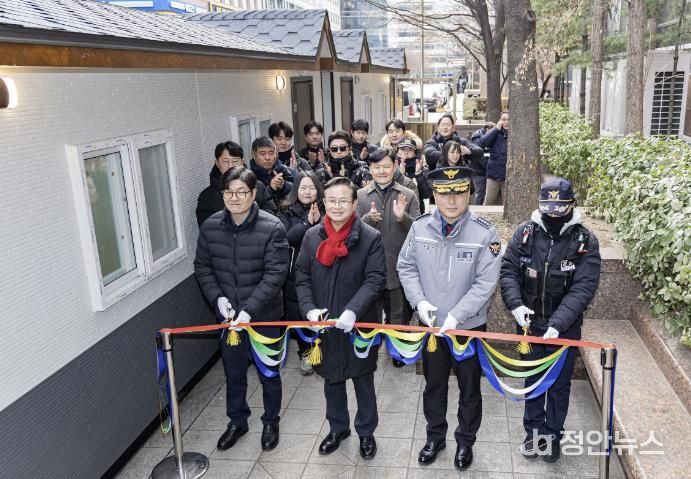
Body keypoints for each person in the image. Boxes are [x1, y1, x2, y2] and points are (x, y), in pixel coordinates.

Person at [397, 166, 502, 471]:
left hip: (467, 328)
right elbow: (406, 267)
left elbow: (485, 283)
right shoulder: (420, 227)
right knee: (434, 385)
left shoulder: (485, 233)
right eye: (444, 194)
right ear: (434, 195)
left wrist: (457, 315)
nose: (452, 201)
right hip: (431, 327)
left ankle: (465, 441)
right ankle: (435, 437)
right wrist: (419, 302)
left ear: (469, 193)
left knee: (469, 388)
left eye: (459, 192)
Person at [499, 177, 601, 462]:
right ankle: (532, 433)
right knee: (532, 380)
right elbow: (508, 271)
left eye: (560, 209)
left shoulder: (585, 241)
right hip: (530, 325)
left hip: (564, 328)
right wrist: (516, 305)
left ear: (572, 205)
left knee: (558, 384)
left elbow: (584, 287)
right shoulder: (525, 233)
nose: (553, 215)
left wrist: (558, 323)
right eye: (548, 209)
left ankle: (552, 435)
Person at [194, 167, 289, 453]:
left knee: (268, 372)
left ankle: (271, 421)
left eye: (241, 192)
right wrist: (217, 299)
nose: (234, 198)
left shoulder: (272, 227)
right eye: (229, 192)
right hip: (228, 318)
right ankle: (237, 421)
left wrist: (249, 310)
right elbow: (203, 267)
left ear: (253, 193)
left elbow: (276, 273)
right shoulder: (211, 226)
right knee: (233, 372)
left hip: (264, 316)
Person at [294, 177, 386, 460]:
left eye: (343, 201)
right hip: (325, 325)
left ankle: (366, 432)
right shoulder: (312, 236)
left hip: (359, 324)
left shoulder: (370, 237)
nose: (336, 206)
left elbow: (375, 279)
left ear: (354, 203)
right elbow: (302, 275)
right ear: (323, 203)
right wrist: (309, 308)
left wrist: (353, 310)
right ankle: (338, 428)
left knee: (363, 379)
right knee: (331, 379)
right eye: (331, 201)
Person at [356, 148, 420, 367]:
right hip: (368, 268)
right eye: (377, 167)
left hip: (397, 266)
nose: (382, 171)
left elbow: (419, 230)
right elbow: (351, 229)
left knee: (398, 314)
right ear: (370, 168)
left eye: (386, 166)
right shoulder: (361, 195)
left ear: (394, 166)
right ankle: (370, 348)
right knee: (369, 313)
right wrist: (367, 219)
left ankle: (397, 351)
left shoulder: (408, 194)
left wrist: (403, 218)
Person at [276, 171, 324, 376]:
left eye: (311, 187)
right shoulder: (285, 211)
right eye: (303, 188)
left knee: (323, 312)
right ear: (296, 190)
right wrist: (307, 224)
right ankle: (306, 353)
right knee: (300, 314)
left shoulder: (328, 207)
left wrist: (319, 222)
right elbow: (285, 238)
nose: (307, 192)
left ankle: (322, 350)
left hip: (323, 271)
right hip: (296, 273)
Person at [196, 141, 276, 226]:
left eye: (235, 161)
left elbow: (270, 211)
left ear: (242, 162)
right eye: (225, 161)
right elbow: (207, 227)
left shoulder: (257, 186)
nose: (230, 165)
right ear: (217, 163)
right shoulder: (207, 196)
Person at [249, 136, 295, 202]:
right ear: (253, 155)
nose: (267, 158)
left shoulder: (286, 171)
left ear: (276, 153)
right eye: (262, 154)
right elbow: (251, 202)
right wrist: (271, 189)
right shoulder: (249, 177)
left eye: (271, 153)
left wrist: (284, 185)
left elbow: (301, 191)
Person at [477, 112, 509, 205]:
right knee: (488, 202)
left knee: (508, 203)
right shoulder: (495, 133)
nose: (506, 122)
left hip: (508, 176)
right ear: (500, 121)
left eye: (508, 120)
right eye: (504, 119)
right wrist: (495, 129)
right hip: (493, 175)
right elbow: (483, 142)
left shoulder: (516, 135)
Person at [394, 139, 432, 212]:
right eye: (402, 149)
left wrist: (418, 174)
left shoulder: (422, 166)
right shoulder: (391, 166)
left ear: (415, 153)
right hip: (394, 210)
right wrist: (400, 175)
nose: (406, 152)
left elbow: (427, 194)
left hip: (416, 212)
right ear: (397, 151)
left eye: (410, 150)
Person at [469, 122, 494, 206]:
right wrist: (489, 167)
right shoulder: (477, 139)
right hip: (478, 170)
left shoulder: (483, 137)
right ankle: (477, 209)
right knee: (480, 192)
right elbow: (479, 156)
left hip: (484, 169)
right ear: (487, 129)